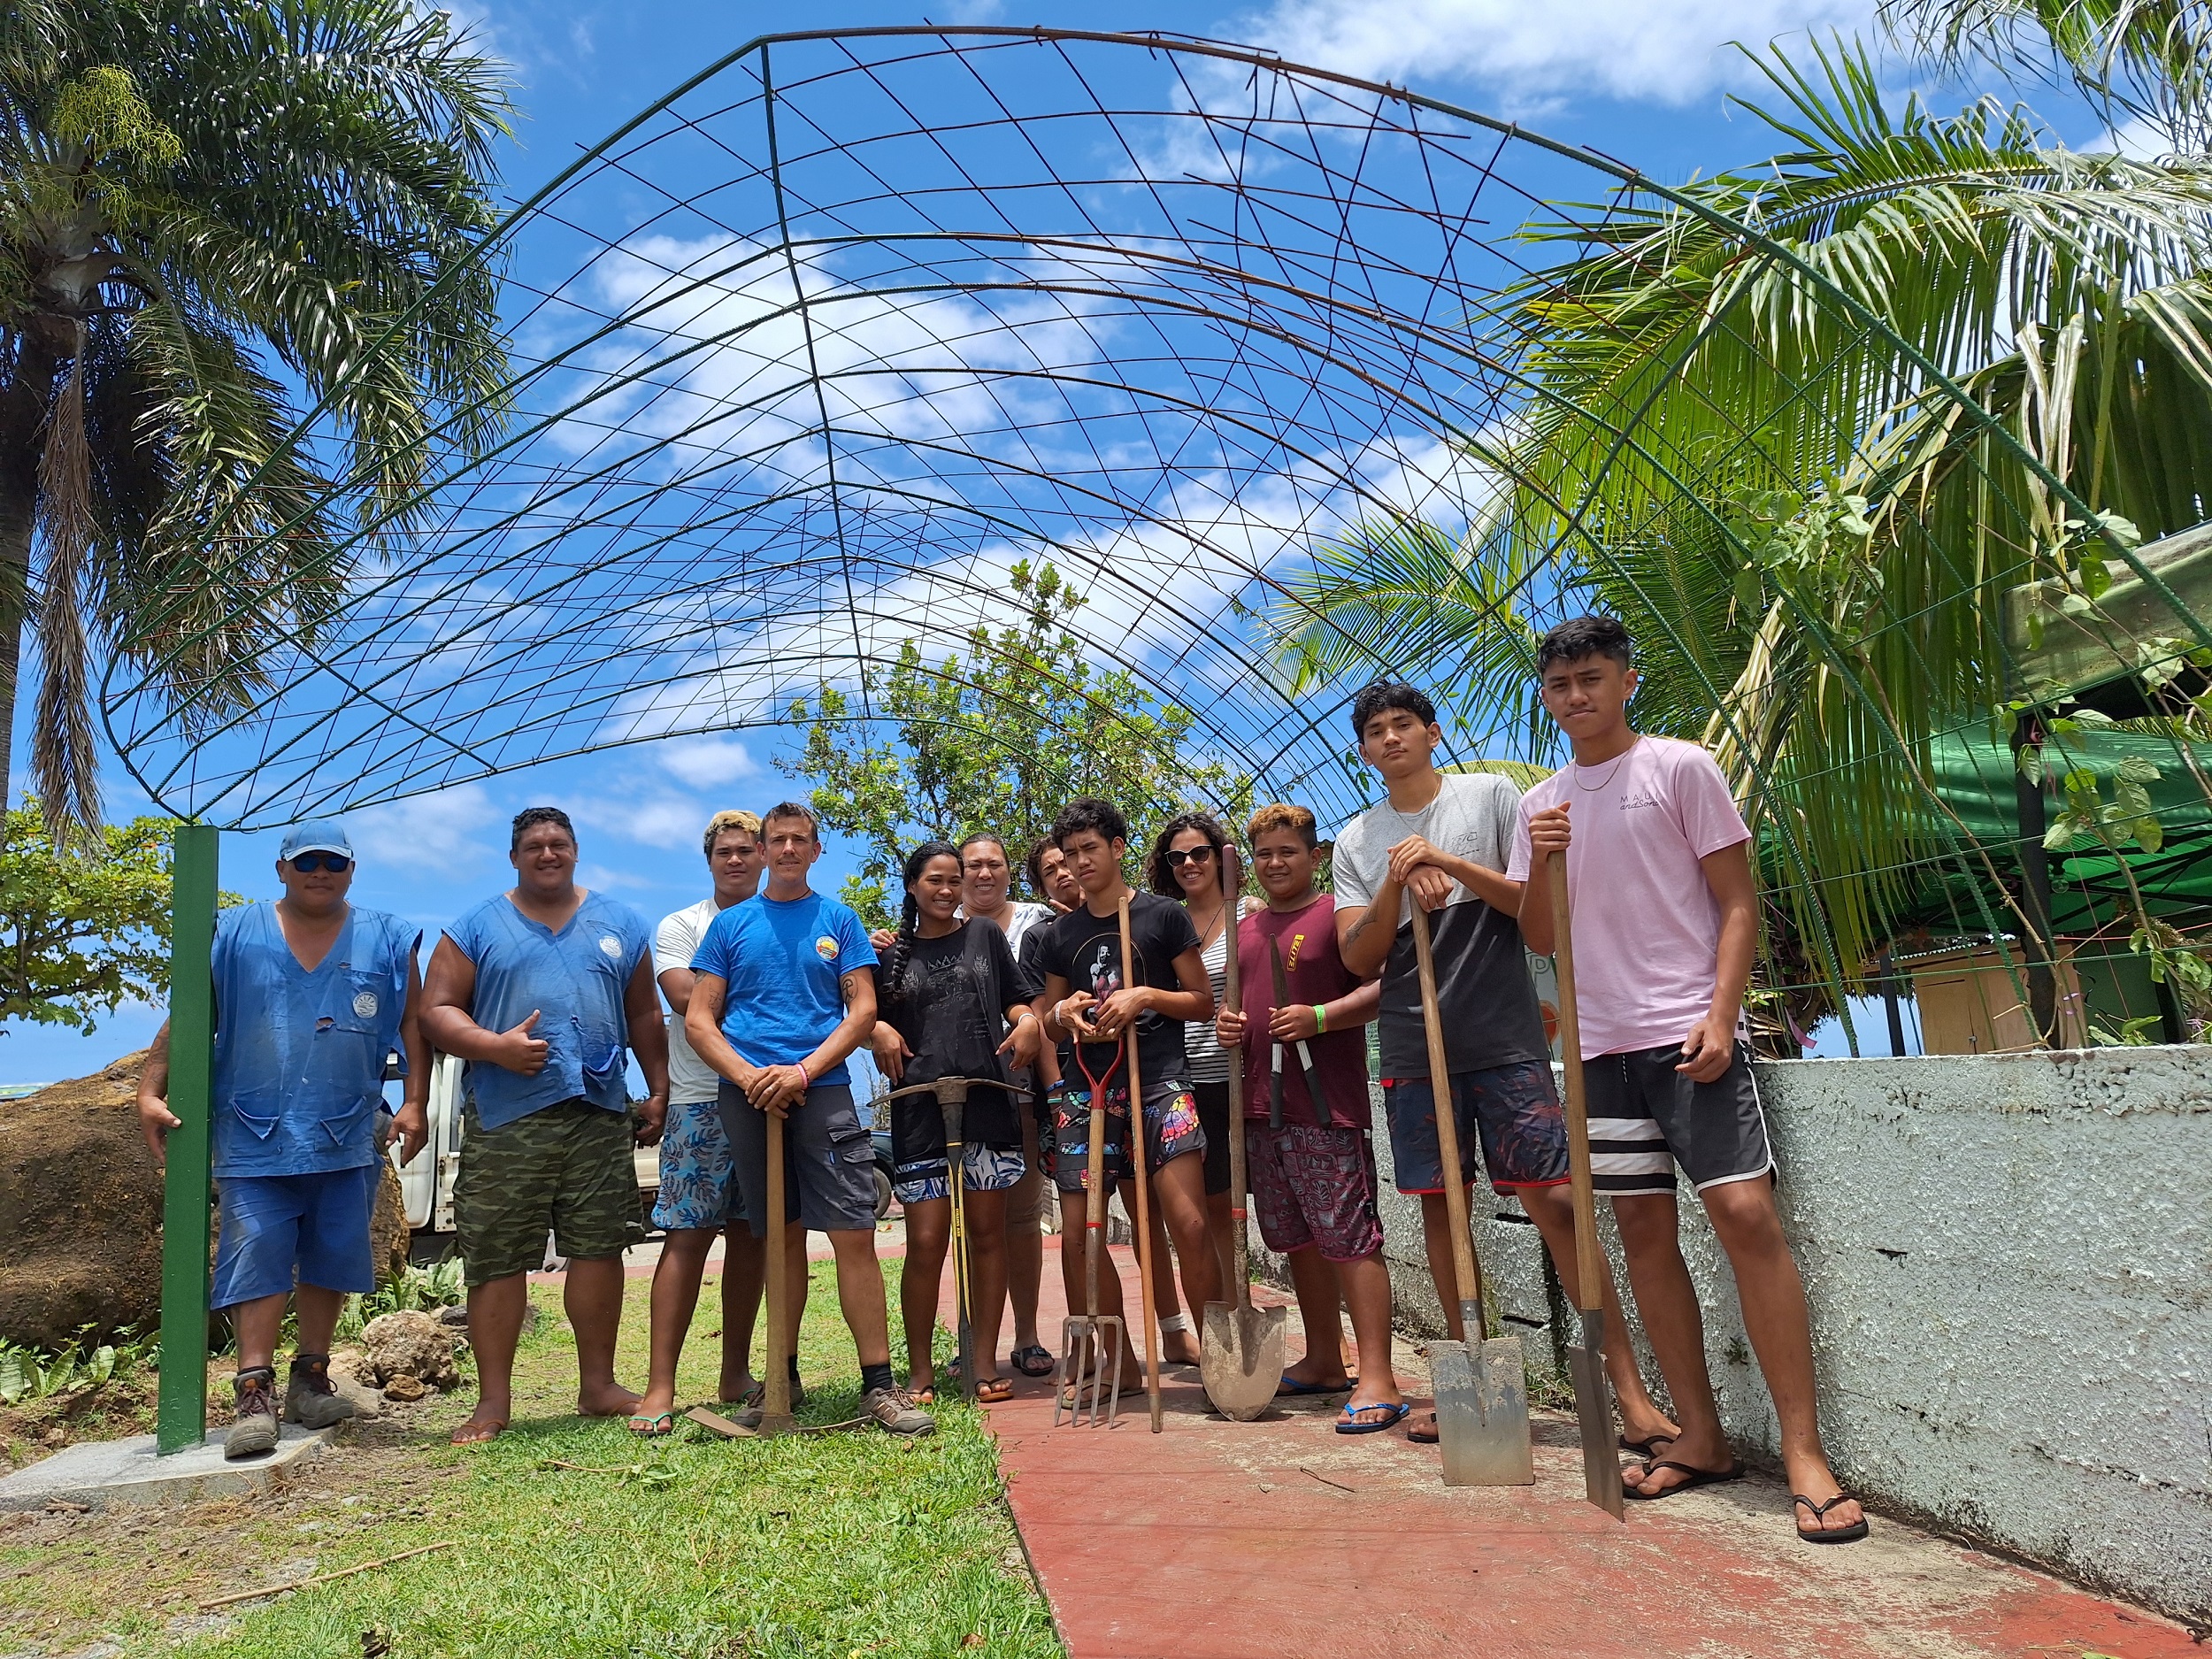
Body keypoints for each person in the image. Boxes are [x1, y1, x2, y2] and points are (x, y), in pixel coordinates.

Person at [1509, 614, 1868, 1541]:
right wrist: (1543, 859)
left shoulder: (1679, 768)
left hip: (1686, 1034)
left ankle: (1803, 1452)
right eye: (1559, 686)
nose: (1576, 697)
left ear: (1627, 681)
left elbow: (1737, 901)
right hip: (1597, 1054)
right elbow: (1540, 939)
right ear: (1545, 698)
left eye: (1591, 678)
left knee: (1746, 1218)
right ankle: (1700, 1435)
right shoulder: (1539, 804)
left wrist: (1720, 1014)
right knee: (1640, 1230)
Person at [1333, 682, 1673, 1449]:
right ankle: (1481, 1383)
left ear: (1433, 731)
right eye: (1376, 731)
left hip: (1504, 1040)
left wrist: (1445, 862)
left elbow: (1532, 908)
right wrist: (1396, 878)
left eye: (1404, 725)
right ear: (1363, 750)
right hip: (1415, 1050)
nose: (1391, 739)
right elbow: (1356, 952)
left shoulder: (1489, 797)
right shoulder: (1355, 840)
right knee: (1442, 1210)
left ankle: (1630, 1393)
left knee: (1555, 1202)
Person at [136, 819, 426, 1459]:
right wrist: (151, 1087)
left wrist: (414, 1101)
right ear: (281, 869)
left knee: (333, 1256)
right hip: (254, 1127)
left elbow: (413, 1022)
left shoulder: (387, 936)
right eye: (306, 861)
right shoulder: (235, 931)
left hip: (345, 1126)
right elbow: (192, 1009)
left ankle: (310, 1380)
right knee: (257, 1254)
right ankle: (253, 1394)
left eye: (334, 862)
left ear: (352, 870)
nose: (320, 872)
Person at [685, 802, 935, 1436]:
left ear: (816, 850)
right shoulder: (730, 926)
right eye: (778, 839)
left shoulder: (838, 919)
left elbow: (861, 1010)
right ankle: (781, 1378)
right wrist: (751, 1079)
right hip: (747, 1095)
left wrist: (799, 1073)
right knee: (780, 1235)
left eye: (800, 840)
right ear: (764, 849)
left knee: (852, 1231)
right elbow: (699, 1020)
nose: (788, 849)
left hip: (820, 1090)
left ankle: (879, 1385)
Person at [421, 807, 668, 1445]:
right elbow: (436, 1010)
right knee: (497, 1256)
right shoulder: (477, 925)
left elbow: (644, 1013)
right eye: (534, 845)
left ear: (576, 850)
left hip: (597, 1111)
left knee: (597, 1247)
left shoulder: (620, 923)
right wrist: (494, 1046)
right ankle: (492, 1402)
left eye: (559, 843)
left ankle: (598, 1384)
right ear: (514, 857)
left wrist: (659, 1086)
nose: (547, 853)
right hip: (507, 1117)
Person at [1214, 803, 1403, 1432]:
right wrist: (1228, 1026)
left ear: (1314, 856)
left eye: (1288, 852)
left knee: (1349, 1237)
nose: (1275, 863)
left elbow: (1384, 987)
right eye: (1263, 854)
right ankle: (1324, 1357)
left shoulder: (1336, 915)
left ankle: (1378, 1373)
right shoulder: (1243, 928)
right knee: (1295, 1237)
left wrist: (1320, 1017)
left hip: (1327, 1104)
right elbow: (1233, 1010)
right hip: (1262, 1108)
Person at [1035, 796, 1218, 1383]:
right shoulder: (1060, 933)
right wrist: (1064, 1011)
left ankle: (1220, 1351)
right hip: (1086, 1089)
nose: (1079, 862)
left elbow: (1201, 1000)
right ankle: (1122, 1361)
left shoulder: (1164, 915)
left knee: (1188, 1224)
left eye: (1090, 849)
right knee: (1082, 1230)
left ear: (1117, 848)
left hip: (1160, 1080)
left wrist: (1144, 997)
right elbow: (1048, 1016)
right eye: (1069, 853)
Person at [872, 841, 1043, 1402]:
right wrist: (877, 1029)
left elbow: (1019, 1000)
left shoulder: (985, 937)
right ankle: (919, 1370)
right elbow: (854, 1012)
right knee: (926, 1240)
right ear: (913, 887)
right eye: (934, 882)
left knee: (989, 1236)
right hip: (920, 1108)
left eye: (954, 881)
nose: (946, 891)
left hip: (987, 1100)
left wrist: (1026, 1024)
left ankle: (983, 1363)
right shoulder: (889, 954)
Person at [633, 810, 780, 1436]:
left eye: (747, 849)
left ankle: (734, 1371)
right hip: (700, 1097)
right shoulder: (681, 925)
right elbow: (684, 997)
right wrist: (772, 999)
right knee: (687, 1237)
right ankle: (659, 1385)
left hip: (770, 1094)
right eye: (724, 851)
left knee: (751, 1237)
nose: (736, 860)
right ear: (709, 859)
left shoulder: (784, 920)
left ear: (766, 856)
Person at [958, 833, 1059, 1379]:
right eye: (971, 865)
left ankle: (1026, 1336)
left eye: (993, 864)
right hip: (960, 1098)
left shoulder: (1039, 924)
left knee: (1021, 1217)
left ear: (1008, 873)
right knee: (971, 1225)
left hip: (1021, 1093)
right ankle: (972, 1340)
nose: (982, 874)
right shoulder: (937, 926)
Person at [1147, 811, 1238, 1362]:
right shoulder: (1167, 923)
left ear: (1221, 857)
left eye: (1200, 853)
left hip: (1246, 1081)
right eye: (1176, 857)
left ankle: (1332, 1338)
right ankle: (1227, 1329)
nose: (1188, 864)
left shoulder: (1247, 917)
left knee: (1283, 1208)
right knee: (1213, 1212)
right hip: (1189, 1083)